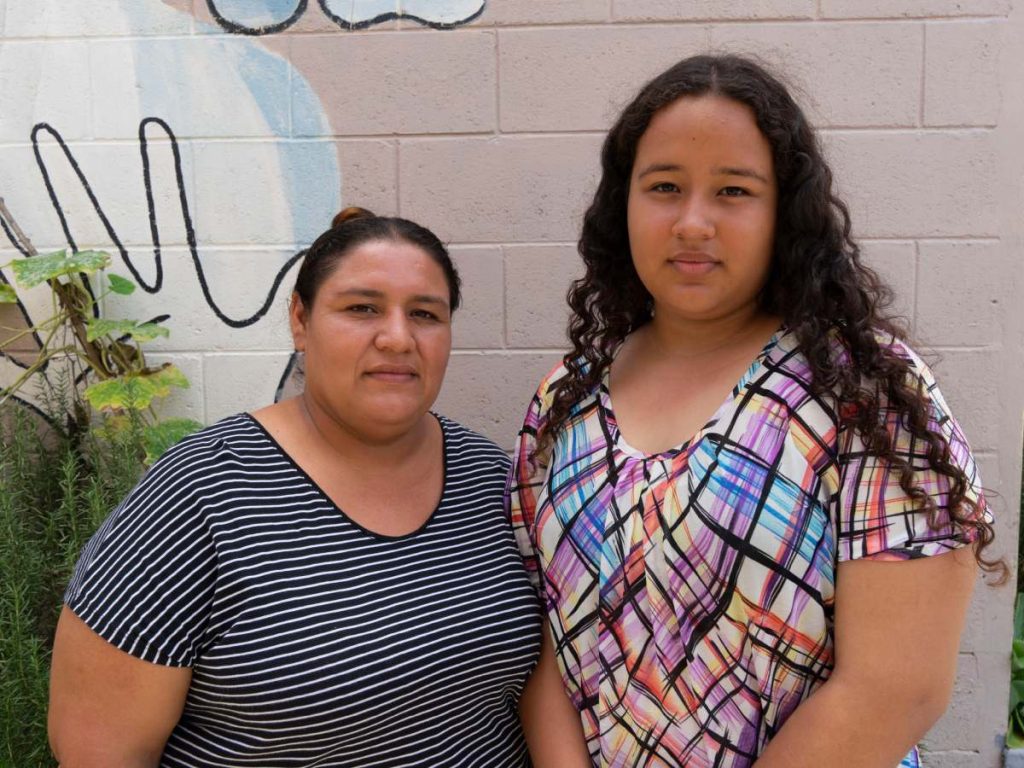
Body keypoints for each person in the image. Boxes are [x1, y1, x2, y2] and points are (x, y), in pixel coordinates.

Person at [507, 54, 1001, 768]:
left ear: (784, 214)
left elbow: (896, 688)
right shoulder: (568, 395)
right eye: (664, 187)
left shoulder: (864, 390)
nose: (693, 222)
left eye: (733, 191)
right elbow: (550, 647)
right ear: (625, 204)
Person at [48, 207, 574, 766]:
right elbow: (98, 749)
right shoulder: (200, 492)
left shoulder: (491, 479)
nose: (397, 338)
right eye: (362, 308)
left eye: (424, 314)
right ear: (301, 319)